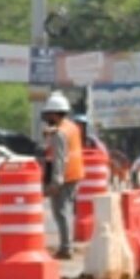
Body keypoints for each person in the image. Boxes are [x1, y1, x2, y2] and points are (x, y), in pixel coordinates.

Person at [41, 93, 85, 258]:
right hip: (75, 174)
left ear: (55, 113)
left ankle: (66, 248)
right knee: (66, 211)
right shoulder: (71, 127)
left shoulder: (60, 133)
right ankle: (67, 245)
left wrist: (55, 182)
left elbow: (59, 158)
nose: (47, 117)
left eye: (49, 114)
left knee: (61, 212)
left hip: (65, 176)